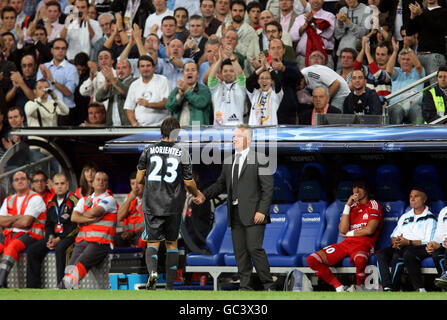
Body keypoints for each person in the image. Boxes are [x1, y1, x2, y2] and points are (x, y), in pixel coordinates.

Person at [196, 124, 276, 291]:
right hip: (235, 213)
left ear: (248, 139)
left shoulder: (260, 158)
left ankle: (269, 285)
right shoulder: (229, 160)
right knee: (240, 252)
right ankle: (245, 287)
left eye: (237, 136)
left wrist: (262, 210)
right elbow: (221, 184)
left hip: (255, 213)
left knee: (254, 248)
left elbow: (268, 188)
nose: (234, 139)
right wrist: (205, 195)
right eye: (233, 136)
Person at [136, 117, 203, 290]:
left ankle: (152, 273)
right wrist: (197, 194)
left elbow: (138, 179)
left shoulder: (148, 150)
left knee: (153, 242)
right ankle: (170, 286)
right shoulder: (183, 151)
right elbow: (189, 182)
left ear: (161, 132)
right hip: (173, 204)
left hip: (152, 203)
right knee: (172, 243)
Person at [306, 179, 383, 292]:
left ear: (367, 190)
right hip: (347, 244)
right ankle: (339, 287)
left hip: (363, 244)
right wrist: (347, 205)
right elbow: (342, 229)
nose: (356, 190)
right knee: (312, 259)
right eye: (354, 187)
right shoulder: (351, 207)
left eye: (360, 187)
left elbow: (370, 230)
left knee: (360, 260)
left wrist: (349, 233)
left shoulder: (373, 205)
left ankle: (360, 289)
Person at [58, 171, 117, 289]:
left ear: (107, 184)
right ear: (93, 183)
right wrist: (90, 219)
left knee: (81, 263)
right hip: (82, 240)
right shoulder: (84, 199)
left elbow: (96, 211)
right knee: (70, 266)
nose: (101, 182)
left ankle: (63, 287)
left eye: (104, 180)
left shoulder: (110, 199)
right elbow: (74, 217)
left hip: (100, 242)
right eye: (98, 179)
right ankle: (68, 288)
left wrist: (82, 217)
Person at [377, 186, 437, 292]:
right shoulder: (405, 216)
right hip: (403, 244)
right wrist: (395, 242)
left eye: (416, 196)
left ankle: (418, 288)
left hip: (419, 247)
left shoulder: (430, 218)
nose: (412, 199)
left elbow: (429, 241)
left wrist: (408, 242)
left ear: (424, 199)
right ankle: (387, 286)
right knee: (382, 254)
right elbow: (394, 235)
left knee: (405, 253)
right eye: (410, 197)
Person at [26, 173, 79, 288]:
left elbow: (75, 226)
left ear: (67, 185)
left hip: (71, 236)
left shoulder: (74, 201)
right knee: (32, 250)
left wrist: (59, 239)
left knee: (61, 249)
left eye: (62, 183)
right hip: (54, 237)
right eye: (56, 184)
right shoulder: (51, 203)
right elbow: (49, 224)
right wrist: (50, 237)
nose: (59, 186)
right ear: (52, 186)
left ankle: (63, 285)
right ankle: (32, 287)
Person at [0, 171, 46, 288]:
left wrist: (9, 221)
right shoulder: (9, 199)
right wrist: (18, 217)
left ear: (28, 182)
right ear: (13, 184)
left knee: (12, 246)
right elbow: (1, 221)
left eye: (23, 179)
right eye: (16, 179)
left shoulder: (35, 198)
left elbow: (26, 222)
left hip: (32, 235)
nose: (20, 181)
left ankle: (1, 281)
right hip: (10, 234)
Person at [36, 38, 79, 125]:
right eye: (57, 48)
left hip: (65, 111)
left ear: (66, 51)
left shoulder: (72, 69)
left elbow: (68, 92)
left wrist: (53, 81)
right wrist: (44, 78)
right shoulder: (44, 67)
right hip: (46, 110)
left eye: (63, 48)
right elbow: (38, 92)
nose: (60, 51)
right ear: (52, 50)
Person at [406, 0, 447, 83]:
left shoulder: (444, 12)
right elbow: (409, 32)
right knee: (417, 90)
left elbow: (438, 28)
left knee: (435, 88)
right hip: (420, 56)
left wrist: (421, 13)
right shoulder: (422, 12)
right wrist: (412, 16)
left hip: (435, 56)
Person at [386, 38, 425, 124]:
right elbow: (388, 70)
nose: (405, 62)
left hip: (414, 106)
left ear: (412, 61)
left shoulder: (418, 72)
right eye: (403, 59)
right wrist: (395, 51)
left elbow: (418, 66)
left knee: (417, 109)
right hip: (397, 105)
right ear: (399, 61)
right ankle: (395, 136)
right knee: (397, 109)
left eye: (408, 59)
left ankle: (420, 136)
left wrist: (408, 49)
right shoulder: (397, 71)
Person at [124, 55, 171, 127]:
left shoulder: (163, 80)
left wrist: (148, 104)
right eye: (142, 66)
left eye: (148, 66)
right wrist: (134, 124)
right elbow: (129, 108)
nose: (145, 69)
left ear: (153, 67)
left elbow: (167, 104)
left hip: (161, 126)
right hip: (140, 128)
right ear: (138, 69)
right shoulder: (134, 85)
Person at [289, 0, 335, 70]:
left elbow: (328, 34)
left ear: (323, 1)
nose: (316, 1)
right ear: (309, 1)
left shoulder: (329, 16)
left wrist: (312, 23)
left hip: (324, 58)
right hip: (303, 58)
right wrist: (303, 28)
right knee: (303, 81)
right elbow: (292, 37)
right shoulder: (300, 17)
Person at [207, 46, 246, 126]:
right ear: (221, 73)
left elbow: (240, 75)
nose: (228, 73)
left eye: (231, 71)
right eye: (225, 71)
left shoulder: (241, 86)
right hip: (219, 131)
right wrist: (220, 60)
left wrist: (232, 57)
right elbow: (211, 78)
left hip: (237, 129)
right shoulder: (217, 87)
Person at [166, 61, 212, 126]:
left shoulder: (204, 89)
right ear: (183, 75)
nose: (190, 72)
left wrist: (187, 91)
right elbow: (169, 106)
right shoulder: (177, 89)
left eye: (193, 70)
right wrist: (179, 95)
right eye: (187, 70)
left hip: (197, 128)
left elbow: (201, 103)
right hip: (178, 128)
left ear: (198, 75)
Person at [352, 36, 392, 105]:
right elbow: (356, 68)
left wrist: (367, 53)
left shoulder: (391, 71)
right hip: (368, 105)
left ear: (389, 56)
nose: (379, 57)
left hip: (382, 107)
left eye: (383, 55)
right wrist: (363, 50)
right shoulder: (368, 69)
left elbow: (378, 74)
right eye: (377, 54)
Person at [246, 54, 283, 126]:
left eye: (267, 78)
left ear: (272, 81)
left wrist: (267, 65)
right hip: (254, 133)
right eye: (262, 78)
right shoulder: (254, 93)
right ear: (258, 81)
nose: (264, 81)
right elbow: (248, 82)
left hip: (270, 133)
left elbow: (278, 82)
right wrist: (262, 68)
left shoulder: (275, 94)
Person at [96, 59, 134, 126]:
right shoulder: (113, 83)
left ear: (131, 70)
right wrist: (107, 85)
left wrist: (113, 80)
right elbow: (98, 98)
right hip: (112, 125)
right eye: (118, 68)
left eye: (124, 67)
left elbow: (128, 93)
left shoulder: (135, 82)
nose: (121, 71)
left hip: (129, 125)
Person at [334, 0, 369, 70]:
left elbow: (362, 33)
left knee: (356, 78)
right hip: (342, 52)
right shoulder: (342, 10)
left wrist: (348, 22)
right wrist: (339, 23)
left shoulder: (366, 10)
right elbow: (337, 35)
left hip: (358, 54)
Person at [115, 171, 145, 248]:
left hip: (142, 234)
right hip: (128, 234)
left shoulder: (151, 199)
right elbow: (119, 217)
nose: (136, 187)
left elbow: (152, 225)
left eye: (138, 183)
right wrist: (129, 200)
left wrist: (133, 233)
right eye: (133, 184)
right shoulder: (129, 198)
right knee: (115, 239)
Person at [427, 205, 447, 288]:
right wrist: (433, 243)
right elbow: (439, 234)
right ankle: (444, 283)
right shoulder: (444, 211)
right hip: (444, 243)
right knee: (436, 254)